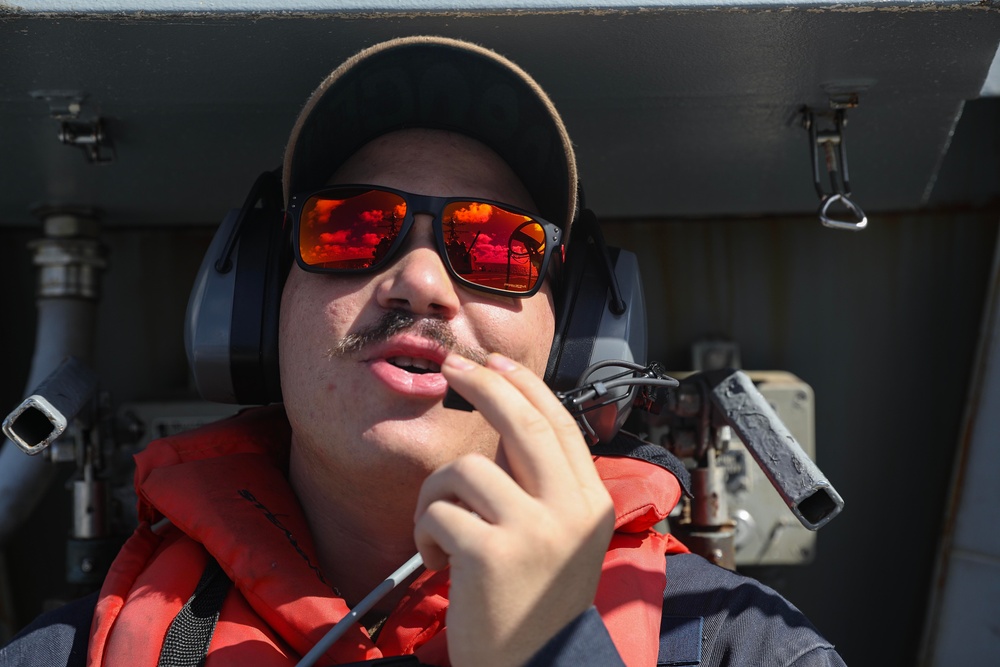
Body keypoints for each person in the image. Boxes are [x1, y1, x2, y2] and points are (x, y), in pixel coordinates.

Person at [0, 36, 847, 667]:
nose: (419, 280)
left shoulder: (747, 646)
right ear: (259, 303)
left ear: (574, 338)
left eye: (496, 246)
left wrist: (553, 649)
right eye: (350, 226)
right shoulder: (64, 653)